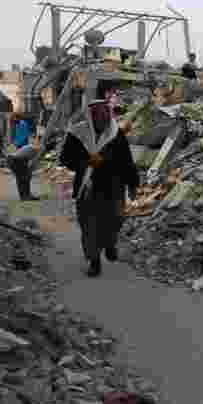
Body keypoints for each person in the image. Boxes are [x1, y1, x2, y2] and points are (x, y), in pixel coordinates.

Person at [59, 99, 139, 277]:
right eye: (99, 119)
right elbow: (65, 158)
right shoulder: (77, 133)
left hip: (113, 186)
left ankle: (110, 243)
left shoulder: (116, 133)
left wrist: (133, 184)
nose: (103, 123)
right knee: (89, 225)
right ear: (91, 118)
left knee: (115, 220)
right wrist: (86, 161)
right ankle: (94, 261)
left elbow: (126, 161)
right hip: (88, 187)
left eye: (105, 118)